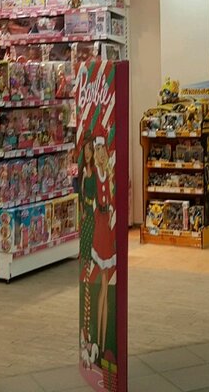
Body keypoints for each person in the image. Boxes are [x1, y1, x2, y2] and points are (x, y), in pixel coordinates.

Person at [91, 136, 116, 356]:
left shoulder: (108, 174)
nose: (100, 153)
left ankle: (100, 341)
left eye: (102, 149)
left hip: (106, 228)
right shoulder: (95, 175)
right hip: (99, 228)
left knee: (105, 286)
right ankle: (97, 340)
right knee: (102, 284)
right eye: (97, 149)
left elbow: (110, 201)